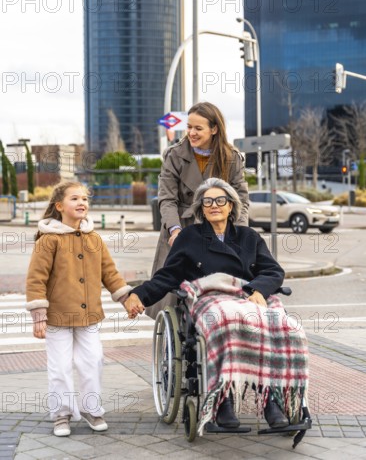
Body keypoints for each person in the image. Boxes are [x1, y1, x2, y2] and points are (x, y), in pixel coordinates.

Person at [125, 178, 309, 431]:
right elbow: (169, 275)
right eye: (208, 201)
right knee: (226, 321)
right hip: (210, 297)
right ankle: (223, 400)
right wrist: (139, 295)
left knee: (285, 326)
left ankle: (272, 401)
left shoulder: (248, 236)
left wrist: (257, 289)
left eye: (220, 200)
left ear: (231, 206)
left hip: (248, 296)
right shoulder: (189, 237)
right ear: (201, 208)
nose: (214, 205)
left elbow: (273, 271)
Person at [26, 181, 132, 437]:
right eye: (75, 198)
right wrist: (39, 316)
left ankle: (90, 408)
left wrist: (127, 298)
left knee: (92, 361)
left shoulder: (94, 239)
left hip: (89, 315)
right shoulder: (48, 240)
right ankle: (62, 413)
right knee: (60, 366)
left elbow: (110, 273)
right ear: (59, 206)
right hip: (57, 316)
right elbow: (35, 278)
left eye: (85, 198)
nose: (82, 202)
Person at [146, 101, 250, 319]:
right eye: (189, 127)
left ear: (214, 129)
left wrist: (238, 234)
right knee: (173, 296)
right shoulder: (174, 155)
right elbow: (167, 199)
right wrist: (174, 230)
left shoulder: (231, 158)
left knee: (221, 288)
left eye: (198, 128)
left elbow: (241, 200)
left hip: (218, 229)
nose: (191, 133)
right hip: (181, 227)